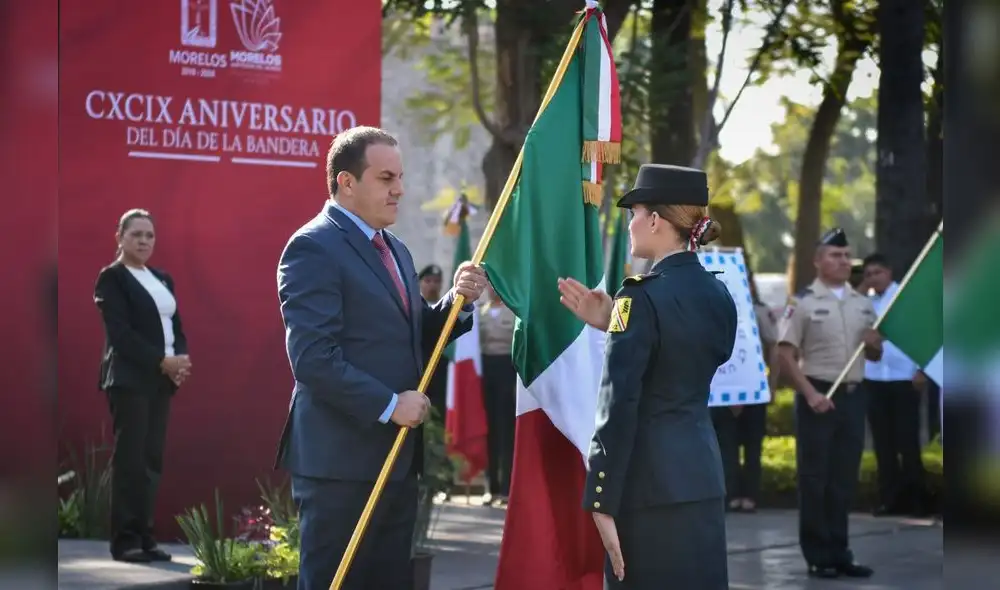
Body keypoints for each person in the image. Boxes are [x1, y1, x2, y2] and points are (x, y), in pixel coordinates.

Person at [274, 126, 487, 590]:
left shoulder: (396, 249)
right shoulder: (313, 246)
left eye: (401, 177)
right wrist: (390, 405)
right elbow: (313, 358)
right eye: (386, 178)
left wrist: (457, 302)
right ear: (347, 182)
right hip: (340, 465)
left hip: (395, 461)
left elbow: (411, 335)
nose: (400, 189)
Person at [557, 164, 736, 589]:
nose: (630, 223)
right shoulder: (719, 293)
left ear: (656, 220)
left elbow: (618, 404)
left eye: (634, 213)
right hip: (701, 477)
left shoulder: (638, 296)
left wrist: (601, 498)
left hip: (647, 487)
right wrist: (616, 324)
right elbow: (682, 359)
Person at [776, 228, 883, 579]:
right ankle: (818, 555)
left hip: (853, 396)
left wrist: (874, 344)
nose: (843, 261)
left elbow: (874, 355)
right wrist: (809, 394)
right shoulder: (802, 302)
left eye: (846, 255)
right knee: (815, 479)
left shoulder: (861, 303)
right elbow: (785, 355)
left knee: (843, 480)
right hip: (818, 394)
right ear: (818, 261)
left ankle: (840, 552)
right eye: (835, 255)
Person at [93, 208, 191, 563]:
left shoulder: (162, 278)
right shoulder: (112, 279)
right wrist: (162, 360)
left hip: (160, 381)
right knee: (130, 461)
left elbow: (175, 326)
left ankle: (145, 537)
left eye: (149, 235)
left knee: (151, 460)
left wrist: (180, 360)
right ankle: (126, 540)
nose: (144, 241)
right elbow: (121, 335)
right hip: (129, 379)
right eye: (136, 234)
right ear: (119, 238)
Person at [861, 253, 928, 516]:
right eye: (868, 274)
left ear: (889, 272)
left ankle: (918, 500)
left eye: (877, 272)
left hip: (904, 377)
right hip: (874, 378)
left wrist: (922, 369)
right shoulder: (866, 304)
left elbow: (925, 333)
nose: (873, 278)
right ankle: (890, 499)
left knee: (907, 441)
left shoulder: (906, 298)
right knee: (883, 443)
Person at [712, 270, 776, 513]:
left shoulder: (759, 312)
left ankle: (750, 495)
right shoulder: (713, 310)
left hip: (754, 392)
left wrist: (771, 385)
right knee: (724, 445)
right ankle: (729, 494)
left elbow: (773, 347)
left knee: (752, 447)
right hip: (720, 393)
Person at [478, 284, 516, 506]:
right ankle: (489, 486)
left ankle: (506, 488)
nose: (493, 289)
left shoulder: (513, 312)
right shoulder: (479, 312)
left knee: (506, 431)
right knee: (488, 431)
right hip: (485, 372)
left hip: (507, 371)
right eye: (490, 285)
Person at [417, 264, 449, 419]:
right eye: (428, 281)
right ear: (420, 283)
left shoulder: (448, 309)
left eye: (436, 281)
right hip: (420, 366)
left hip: (443, 368)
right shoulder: (414, 308)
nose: (432, 285)